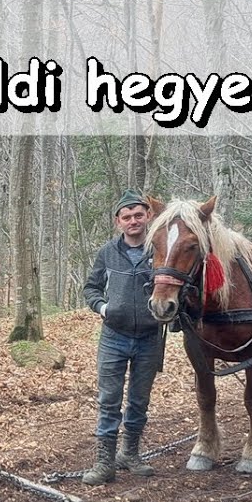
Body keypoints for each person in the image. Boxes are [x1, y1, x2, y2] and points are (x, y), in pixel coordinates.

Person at [81, 189, 165, 485]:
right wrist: (103, 307)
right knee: (109, 401)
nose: (133, 221)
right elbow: (90, 288)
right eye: (127, 217)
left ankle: (130, 453)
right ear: (118, 222)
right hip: (113, 337)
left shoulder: (159, 250)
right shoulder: (107, 252)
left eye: (138, 215)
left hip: (149, 337)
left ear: (148, 217)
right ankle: (105, 463)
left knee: (139, 401)